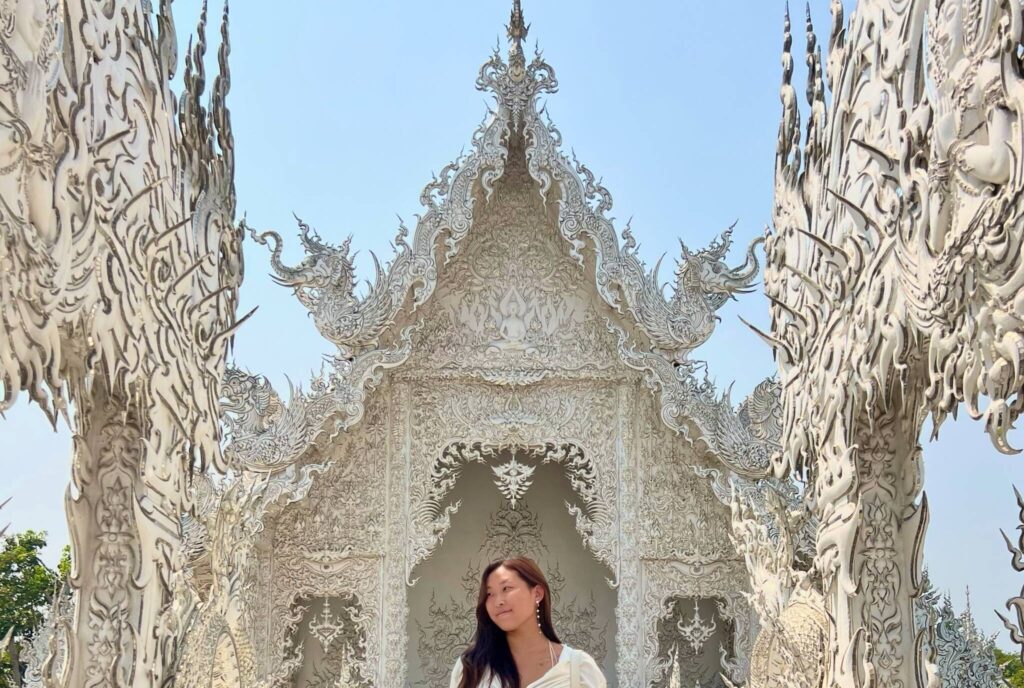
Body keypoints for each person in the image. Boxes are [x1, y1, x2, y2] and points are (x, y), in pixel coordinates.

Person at [450, 557, 606, 688]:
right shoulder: (471, 667)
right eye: (489, 594)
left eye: (506, 588)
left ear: (537, 593)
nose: (498, 601)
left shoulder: (577, 667)